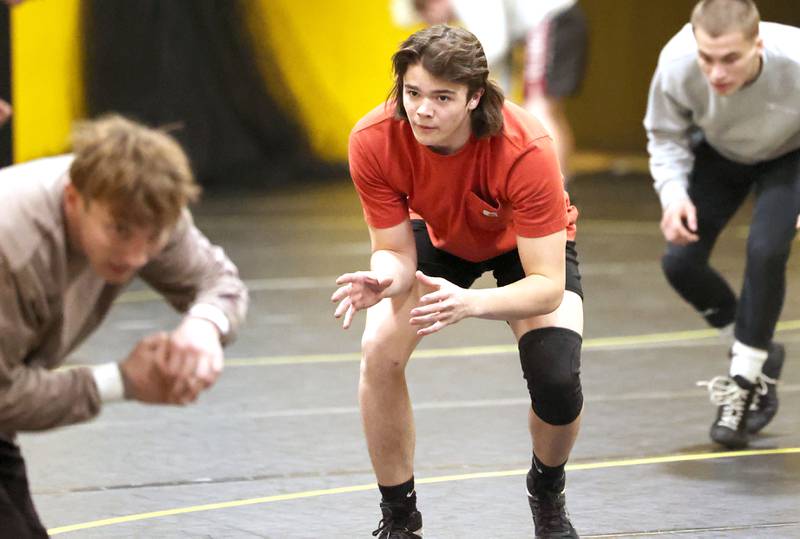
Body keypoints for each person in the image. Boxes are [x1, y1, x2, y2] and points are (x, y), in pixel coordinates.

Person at [332, 25, 583, 538]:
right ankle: (400, 519)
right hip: (442, 235)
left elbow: (546, 285)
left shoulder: (526, 146)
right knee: (379, 349)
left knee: (556, 382)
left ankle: (547, 490)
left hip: (524, 251)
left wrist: (470, 303)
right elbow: (395, 252)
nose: (423, 110)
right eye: (413, 93)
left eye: (442, 97)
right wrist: (382, 281)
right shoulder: (374, 139)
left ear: (474, 97)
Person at [0, 114, 248, 537]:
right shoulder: (13, 246)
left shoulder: (146, 209)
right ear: (74, 199)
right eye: (119, 231)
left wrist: (202, 328)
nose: (136, 255)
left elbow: (217, 281)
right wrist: (123, 381)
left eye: (151, 239)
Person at [644, 0, 800, 449]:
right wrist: (673, 197)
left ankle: (744, 383)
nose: (716, 73)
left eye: (730, 58)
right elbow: (665, 135)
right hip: (722, 153)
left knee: (767, 249)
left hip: (789, 157)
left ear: (759, 44)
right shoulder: (676, 63)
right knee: (680, 262)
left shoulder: (793, 58)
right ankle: (758, 352)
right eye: (706, 58)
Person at [391, 0, 589, 182]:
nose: (429, 23)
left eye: (424, 16)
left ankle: (550, 188)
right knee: (547, 109)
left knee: (540, 109)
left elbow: (493, 45)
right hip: (559, 18)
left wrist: (449, 73)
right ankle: (558, 188)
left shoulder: (468, 4)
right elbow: (496, 65)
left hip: (551, 19)